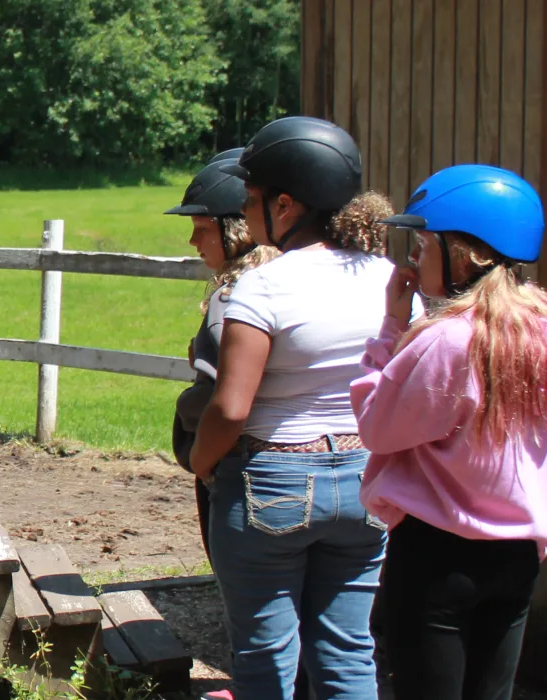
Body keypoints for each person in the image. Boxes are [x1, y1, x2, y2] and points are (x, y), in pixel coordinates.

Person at [352, 165, 547, 700]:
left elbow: (378, 426)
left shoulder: (447, 341)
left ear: (466, 254)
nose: (413, 260)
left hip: (437, 556)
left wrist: (391, 329)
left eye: (422, 245)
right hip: (516, 556)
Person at [190, 116, 406, 699]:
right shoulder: (386, 278)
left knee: (264, 659)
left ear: (285, 205)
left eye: (254, 199)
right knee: (347, 651)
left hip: (272, 479)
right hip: (365, 478)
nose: (250, 211)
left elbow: (230, 406)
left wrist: (202, 463)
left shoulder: (264, 286)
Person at [166, 147, 278, 556]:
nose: (193, 240)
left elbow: (219, 397)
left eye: (202, 228)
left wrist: (193, 439)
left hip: (238, 465)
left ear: (235, 231)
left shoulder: (232, 300)